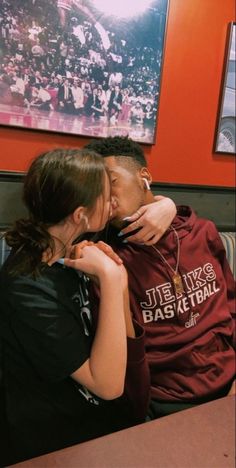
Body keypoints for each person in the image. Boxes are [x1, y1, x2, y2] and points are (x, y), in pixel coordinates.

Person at [0, 148, 150, 465]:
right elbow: (108, 386)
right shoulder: (28, 286)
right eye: (106, 194)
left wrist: (165, 204)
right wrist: (111, 278)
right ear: (79, 214)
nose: (113, 202)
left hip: (102, 428)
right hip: (55, 443)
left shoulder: (70, 245)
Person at [85, 136, 236, 418]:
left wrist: (168, 204)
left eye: (112, 180)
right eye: (96, 189)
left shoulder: (202, 232)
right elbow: (128, 358)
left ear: (144, 176)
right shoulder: (110, 262)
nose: (105, 196)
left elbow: (232, 304)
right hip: (170, 404)